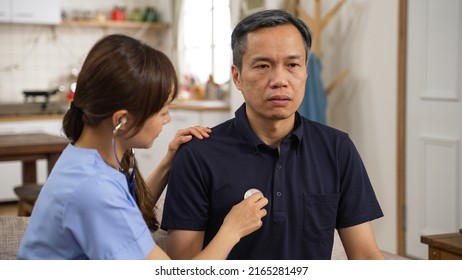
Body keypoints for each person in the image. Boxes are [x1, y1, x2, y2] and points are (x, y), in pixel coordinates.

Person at [17, 34, 268, 260]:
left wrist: (167, 162)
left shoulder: (84, 159)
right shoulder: (93, 190)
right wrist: (232, 230)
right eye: (162, 111)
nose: (167, 119)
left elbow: (125, 216)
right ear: (122, 120)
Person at [161, 9, 385, 260]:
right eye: (263, 66)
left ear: (306, 71)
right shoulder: (197, 154)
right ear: (237, 76)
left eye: (292, 65)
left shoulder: (337, 148)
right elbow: (182, 267)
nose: (280, 80)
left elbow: (365, 255)